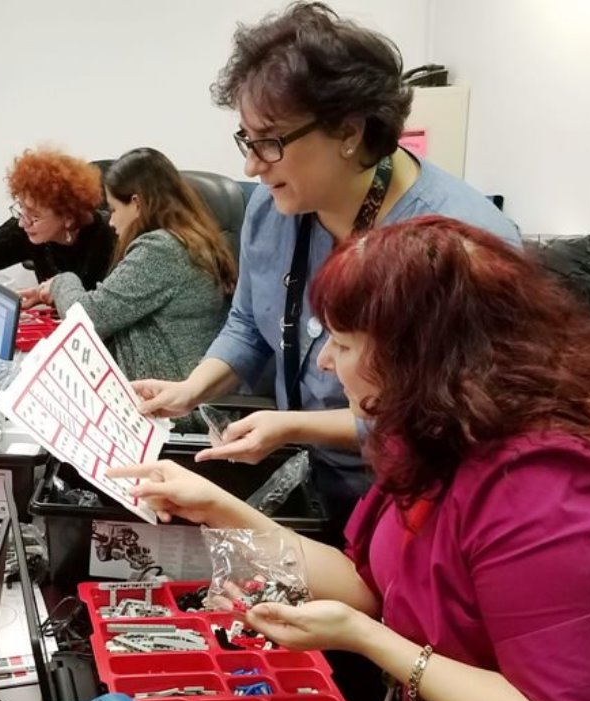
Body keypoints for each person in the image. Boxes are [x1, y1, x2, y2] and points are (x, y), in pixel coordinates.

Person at [111, 217, 590, 701]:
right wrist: (219, 509)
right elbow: (370, 584)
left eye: (344, 345)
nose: (325, 363)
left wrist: (370, 641)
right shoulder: (431, 439)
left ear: (420, 359)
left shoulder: (550, 498)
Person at [132, 3, 520, 529]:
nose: (250, 166)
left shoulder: (456, 244)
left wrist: (295, 426)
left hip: (412, 505)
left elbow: (447, 419)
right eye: (247, 139)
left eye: (270, 141)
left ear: (349, 131)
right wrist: (190, 389)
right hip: (306, 476)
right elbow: (249, 322)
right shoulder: (274, 208)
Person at [22, 148, 235, 383]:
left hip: (170, 404)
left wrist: (61, 282)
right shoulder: (187, 239)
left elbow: (89, 317)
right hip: (165, 389)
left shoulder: (161, 249)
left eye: (113, 210)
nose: (111, 221)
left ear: (136, 204)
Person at [0, 148, 114, 292]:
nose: (22, 222)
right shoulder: (27, 228)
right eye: (21, 208)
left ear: (68, 216)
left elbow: (102, 309)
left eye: (34, 215)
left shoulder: (110, 239)